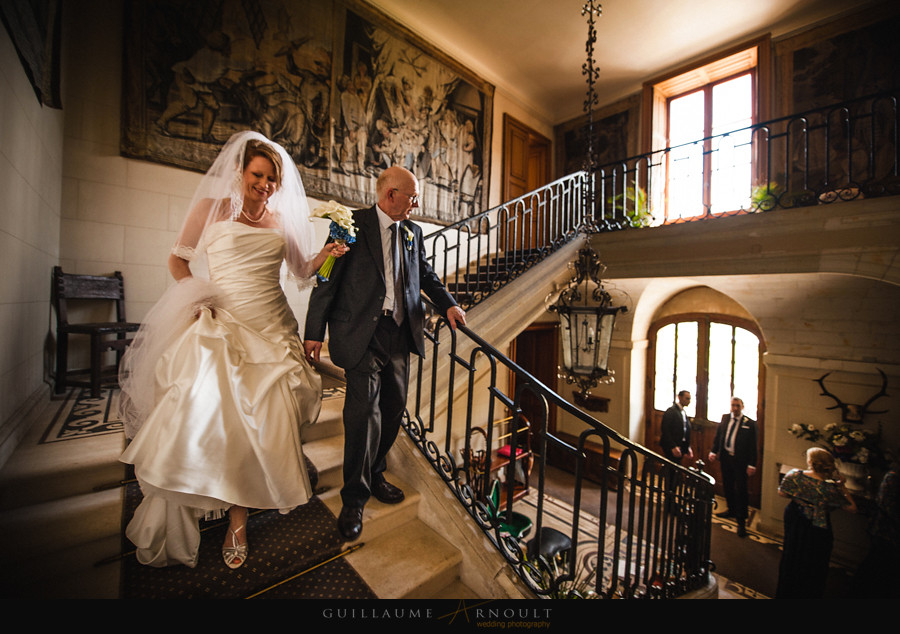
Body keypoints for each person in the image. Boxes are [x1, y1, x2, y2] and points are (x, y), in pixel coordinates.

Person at [118, 131, 347, 569]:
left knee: (264, 419)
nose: (264, 184)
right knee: (215, 418)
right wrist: (197, 296)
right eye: (257, 175)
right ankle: (202, 488)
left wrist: (327, 252)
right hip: (224, 322)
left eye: (272, 179)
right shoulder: (212, 210)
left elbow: (300, 270)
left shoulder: (281, 221)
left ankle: (237, 521)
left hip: (273, 325)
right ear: (241, 172)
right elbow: (177, 261)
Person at [304, 165, 466, 541]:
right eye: (412, 197)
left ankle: (376, 472)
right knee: (362, 414)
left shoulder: (413, 232)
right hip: (359, 333)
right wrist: (314, 330)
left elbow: (426, 275)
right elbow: (326, 277)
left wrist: (448, 305)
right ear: (390, 194)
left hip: (400, 332)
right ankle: (354, 499)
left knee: (393, 409)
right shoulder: (350, 224)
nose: (416, 204)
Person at [776, 447, 856, 598]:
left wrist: (801, 498)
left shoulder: (795, 476)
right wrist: (842, 486)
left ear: (810, 462)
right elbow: (852, 508)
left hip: (796, 521)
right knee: (813, 563)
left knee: (792, 556)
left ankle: (787, 591)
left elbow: (782, 492)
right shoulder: (830, 488)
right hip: (818, 529)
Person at [708, 397, 757, 537]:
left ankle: (741, 520)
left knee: (741, 488)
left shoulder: (750, 423)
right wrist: (713, 451)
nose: (735, 408)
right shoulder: (725, 418)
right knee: (728, 485)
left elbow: (753, 447)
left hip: (740, 461)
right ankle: (731, 509)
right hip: (725, 458)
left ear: (742, 407)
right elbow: (719, 437)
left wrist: (752, 464)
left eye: (737, 406)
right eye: (733, 405)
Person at [660, 390, 693, 464]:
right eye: (687, 398)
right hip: (672, 446)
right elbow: (665, 430)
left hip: (680, 446)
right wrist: (673, 446)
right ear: (679, 397)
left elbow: (685, 431)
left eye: (690, 399)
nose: (689, 401)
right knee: (671, 469)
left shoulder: (683, 412)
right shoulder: (671, 411)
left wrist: (688, 447)